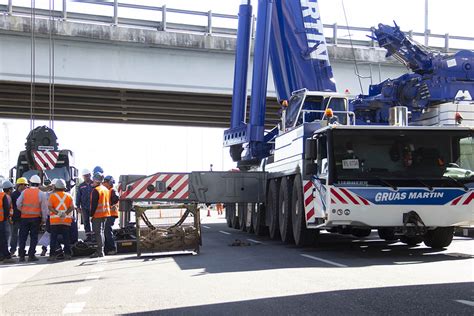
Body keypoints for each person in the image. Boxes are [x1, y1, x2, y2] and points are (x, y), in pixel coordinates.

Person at [17, 175, 48, 262]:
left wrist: (23, 210)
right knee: (34, 237)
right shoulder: (41, 193)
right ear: (39, 184)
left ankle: (22, 256)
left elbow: (18, 203)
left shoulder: (24, 192)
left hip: (24, 218)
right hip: (35, 218)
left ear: (30, 183)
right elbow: (44, 208)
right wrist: (43, 219)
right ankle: (31, 255)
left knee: (23, 237)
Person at [47, 179, 75, 261]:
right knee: (66, 238)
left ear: (56, 187)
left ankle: (52, 255)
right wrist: (65, 214)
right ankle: (67, 254)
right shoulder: (69, 196)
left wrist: (57, 213)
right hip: (65, 221)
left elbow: (50, 207)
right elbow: (72, 207)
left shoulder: (52, 196)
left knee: (53, 238)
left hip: (54, 221)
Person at [90, 173, 111, 258]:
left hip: (98, 214)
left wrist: (91, 215)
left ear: (96, 180)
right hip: (105, 213)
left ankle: (100, 251)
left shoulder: (96, 190)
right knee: (102, 232)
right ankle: (101, 250)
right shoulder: (105, 189)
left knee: (98, 233)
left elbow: (94, 204)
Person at [9, 177, 28, 257]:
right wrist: (11, 218)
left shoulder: (26, 194)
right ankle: (13, 250)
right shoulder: (13, 195)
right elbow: (11, 207)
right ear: (19, 185)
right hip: (16, 218)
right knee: (14, 235)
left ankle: (21, 250)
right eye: (24, 185)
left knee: (23, 235)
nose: (25, 186)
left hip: (24, 218)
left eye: (26, 185)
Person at [76, 169, 94, 242]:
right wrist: (78, 207)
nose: (86, 177)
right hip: (84, 207)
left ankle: (95, 235)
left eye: (87, 175)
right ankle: (88, 236)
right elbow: (78, 197)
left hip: (93, 207)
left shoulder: (94, 184)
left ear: (90, 175)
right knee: (86, 221)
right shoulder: (81, 186)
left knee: (94, 221)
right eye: (85, 176)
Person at [103, 175, 119, 255]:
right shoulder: (108, 190)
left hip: (111, 214)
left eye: (105, 182)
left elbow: (116, 199)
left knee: (107, 230)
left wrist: (112, 205)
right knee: (106, 231)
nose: (103, 184)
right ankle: (107, 249)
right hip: (108, 214)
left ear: (109, 183)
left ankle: (112, 248)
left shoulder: (112, 190)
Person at [0, 181, 15, 264]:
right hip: (2, 220)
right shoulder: (6, 197)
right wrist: (8, 218)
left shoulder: (1, 195)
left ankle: (1, 255)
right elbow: (6, 210)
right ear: (9, 189)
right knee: (4, 238)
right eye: (11, 189)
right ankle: (7, 256)